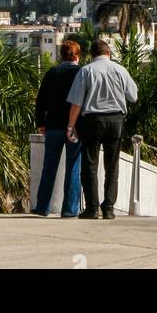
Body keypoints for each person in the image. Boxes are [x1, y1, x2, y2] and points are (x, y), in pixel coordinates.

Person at [66, 40, 138, 221]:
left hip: (92, 120)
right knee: (112, 165)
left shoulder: (86, 71)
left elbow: (76, 102)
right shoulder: (121, 70)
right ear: (109, 53)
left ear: (92, 55)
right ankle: (109, 208)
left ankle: (92, 208)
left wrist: (70, 126)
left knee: (90, 164)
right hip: (116, 120)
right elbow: (133, 96)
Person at [33, 38, 83, 218]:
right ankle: (70, 209)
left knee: (49, 166)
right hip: (75, 128)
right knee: (73, 167)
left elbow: (41, 100)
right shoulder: (81, 73)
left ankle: (42, 206)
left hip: (53, 126)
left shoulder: (52, 73)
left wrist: (40, 123)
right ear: (77, 55)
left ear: (61, 55)